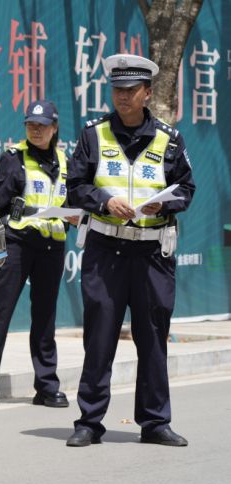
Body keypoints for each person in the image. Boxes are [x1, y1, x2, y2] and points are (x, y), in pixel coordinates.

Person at [66, 54, 195, 447]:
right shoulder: (93, 135)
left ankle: (155, 423)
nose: (122, 97)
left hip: (153, 254)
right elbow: (75, 186)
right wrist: (104, 201)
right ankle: (89, 422)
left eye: (130, 90)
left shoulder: (170, 139)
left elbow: (186, 188)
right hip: (106, 250)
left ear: (147, 93)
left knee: (153, 337)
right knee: (99, 336)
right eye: (117, 90)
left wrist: (163, 206)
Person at [0, 100, 73, 409]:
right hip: (17, 244)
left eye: (42, 125)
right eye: (31, 124)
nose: (36, 130)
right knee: (0, 312)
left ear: (54, 128)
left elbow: (73, 201)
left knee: (45, 316)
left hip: (52, 247)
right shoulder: (13, 159)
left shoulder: (65, 161)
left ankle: (46, 385)